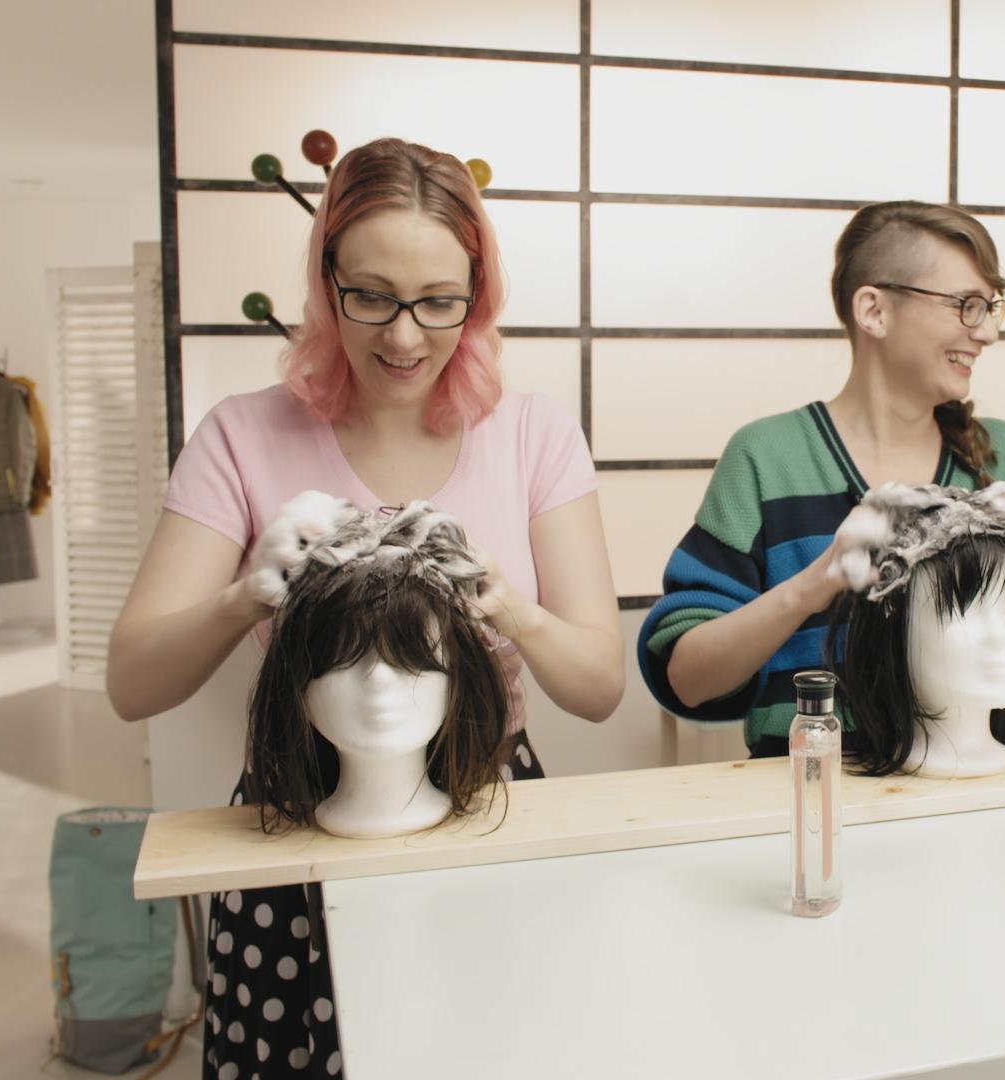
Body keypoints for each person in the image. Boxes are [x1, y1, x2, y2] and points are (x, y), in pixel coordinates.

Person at [106, 137, 622, 1079]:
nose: (404, 337)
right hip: (299, 824)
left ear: (479, 295)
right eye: (372, 297)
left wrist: (512, 609)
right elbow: (132, 683)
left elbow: (598, 688)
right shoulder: (243, 436)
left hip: (491, 807)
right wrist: (243, 595)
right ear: (325, 278)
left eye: (439, 302)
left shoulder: (534, 433)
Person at [638, 200, 1005, 758]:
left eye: (992, 306)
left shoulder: (1001, 457)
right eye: (967, 306)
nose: (988, 333)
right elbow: (688, 676)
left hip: (974, 794)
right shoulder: (767, 456)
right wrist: (815, 584)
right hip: (809, 802)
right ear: (874, 311)